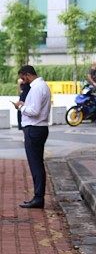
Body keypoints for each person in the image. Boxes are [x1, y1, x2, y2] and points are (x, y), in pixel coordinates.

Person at [13, 65, 51, 209]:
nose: (23, 81)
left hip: (34, 129)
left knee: (35, 165)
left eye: (23, 78)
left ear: (28, 75)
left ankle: (38, 197)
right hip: (39, 128)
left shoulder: (36, 88)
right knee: (38, 163)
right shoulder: (43, 86)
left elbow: (34, 111)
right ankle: (38, 196)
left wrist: (20, 107)